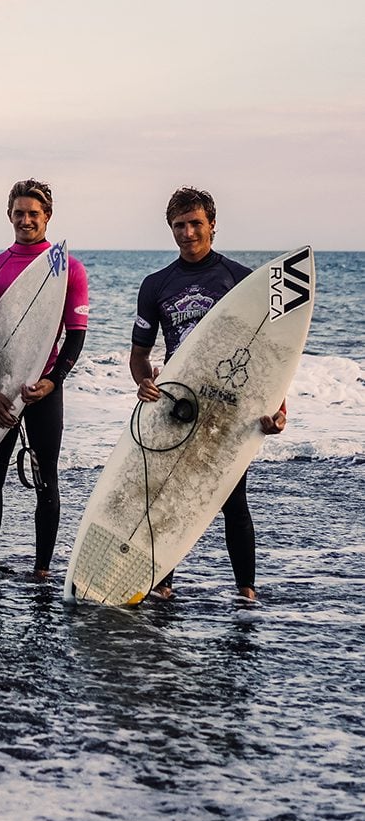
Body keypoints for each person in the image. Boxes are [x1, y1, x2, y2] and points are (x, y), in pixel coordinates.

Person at [129, 186, 287, 602]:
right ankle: (162, 583)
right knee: (167, 497)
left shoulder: (240, 279)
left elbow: (271, 353)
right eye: (179, 225)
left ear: (212, 225)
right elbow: (140, 356)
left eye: (195, 223)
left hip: (226, 406)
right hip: (176, 405)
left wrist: (278, 408)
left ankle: (246, 590)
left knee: (232, 499)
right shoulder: (155, 285)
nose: (187, 232)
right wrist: (144, 381)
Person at [0, 179, 89, 577]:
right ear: (9, 216)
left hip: (44, 392)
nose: (26, 220)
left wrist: (54, 380)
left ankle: (41, 569)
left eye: (34, 214)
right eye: (19, 213)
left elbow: (76, 334)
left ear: (47, 217)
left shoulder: (69, 269)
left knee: (46, 480)